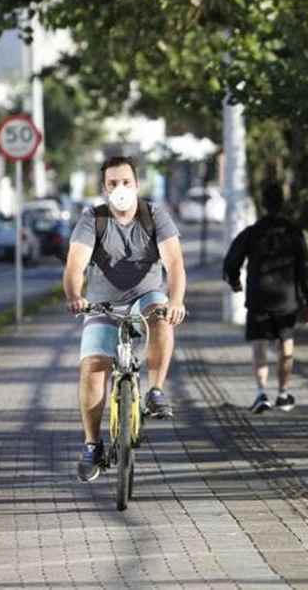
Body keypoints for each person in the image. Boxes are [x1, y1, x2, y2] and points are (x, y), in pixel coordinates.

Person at [63, 155, 187, 482]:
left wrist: (176, 300)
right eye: (113, 183)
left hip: (146, 298)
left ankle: (156, 391)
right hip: (103, 305)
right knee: (93, 366)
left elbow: (174, 263)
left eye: (126, 182)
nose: (120, 188)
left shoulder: (155, 215)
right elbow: (75, 265)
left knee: (161, 315)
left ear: (136, 184)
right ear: (104, 189)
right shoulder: (93, 219)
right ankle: (92, 446)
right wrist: (75, 296)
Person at [223, 181, 308, 414]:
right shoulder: (293, 232)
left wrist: (235, 282)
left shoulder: (252, 232)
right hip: (287, 300)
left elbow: (232, 260)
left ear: (263, 204)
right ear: (282, 204)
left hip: (258, 298)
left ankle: (261, 393)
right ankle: (283, 394)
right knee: (286, 346)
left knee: (259, 346)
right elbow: (306, 267)